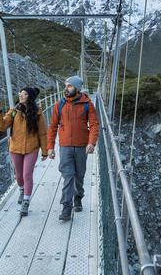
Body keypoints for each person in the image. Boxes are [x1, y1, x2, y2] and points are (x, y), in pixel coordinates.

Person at [46, 76, 99, 221]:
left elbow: (94, 125)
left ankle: (78, 196)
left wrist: (92, 142)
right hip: (64, 147)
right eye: (65, 86)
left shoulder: (88, 104)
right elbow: (52, 126)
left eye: (69, 86)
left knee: (79, 176)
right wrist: (50, 147)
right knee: (68, 176)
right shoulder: (60, 104)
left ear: (77, 88)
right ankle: (66, 207)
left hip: (82, 146)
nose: (66, 89)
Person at [0, 87, 48, 217]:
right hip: (15, 148)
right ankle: (21, 189)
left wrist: (45, 151)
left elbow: (42, 133)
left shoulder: (38, 112)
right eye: (20, 93)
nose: (21, 95)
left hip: (32, 148)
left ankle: (26, 201)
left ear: (30, 97)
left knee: (27, 175)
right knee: (19, 175)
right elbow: (2, 126)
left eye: (24, 94)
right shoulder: (14, 111)